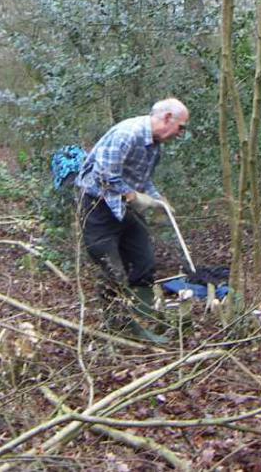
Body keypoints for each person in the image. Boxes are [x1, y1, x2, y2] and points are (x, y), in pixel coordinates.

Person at [75, 98, 189, 342]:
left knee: (144, 263)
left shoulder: (154, 146)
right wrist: (131, 195)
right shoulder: (128, 133)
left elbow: (143, 180)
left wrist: (159, 201)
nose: (181, 134)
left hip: (126, 210)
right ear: (168, 118)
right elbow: (104, 174)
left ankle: (146, 318)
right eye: (181, 127)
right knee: (113, 272)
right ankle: (120, 330)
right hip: (99, 208)